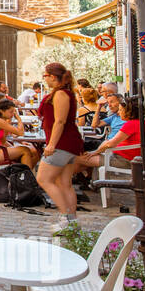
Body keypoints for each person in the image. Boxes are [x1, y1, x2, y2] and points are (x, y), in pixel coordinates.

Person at [36, 62, 84, 231]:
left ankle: (65, 218)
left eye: (46, 75)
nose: (44, 78)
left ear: (53, 77)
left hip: (62, 144)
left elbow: (61, 121)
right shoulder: (63, 93)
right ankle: (72, 223)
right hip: (69, 144)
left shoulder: (61, 95)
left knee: (43, 178)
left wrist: (51, 145)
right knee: (64, 183)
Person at [74, 94, 141, 174]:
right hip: (117, 154)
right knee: (83, 158)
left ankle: (63, 183)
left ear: (128, 111)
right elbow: (95, 126)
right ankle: (84, 182)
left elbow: (110, 144)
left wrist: (95, 152)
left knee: (76, 159)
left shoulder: (130, 124)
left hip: (121, 159)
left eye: (120, 110)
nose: (119, 113)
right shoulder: (139, 123)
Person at [0, 97, 38, 171]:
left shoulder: (1, 120)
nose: (13, 114)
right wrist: (19, 119)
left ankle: (23, 176)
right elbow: (20, 132)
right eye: (11, 112)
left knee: (34, 152)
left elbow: (3, 140)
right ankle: (25, 178)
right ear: (2, 111)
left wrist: (14, 146)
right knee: (25, 150)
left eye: (14, 112)